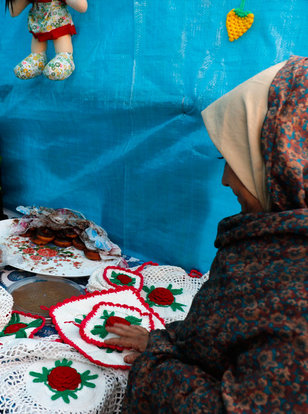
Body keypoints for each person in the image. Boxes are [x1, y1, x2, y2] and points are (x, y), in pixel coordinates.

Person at [105, 57, 308, 412]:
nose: (226, 179)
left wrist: (156, 371)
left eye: (240, 158)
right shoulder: (276, 245)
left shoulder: (297, 306)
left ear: (288, 160)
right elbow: (232, 337)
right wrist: (166, 343)